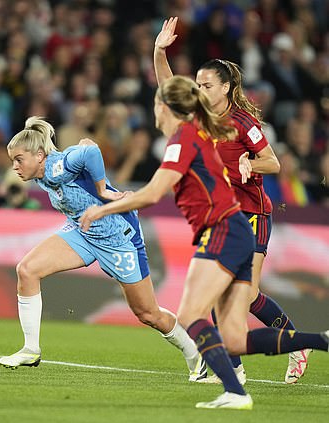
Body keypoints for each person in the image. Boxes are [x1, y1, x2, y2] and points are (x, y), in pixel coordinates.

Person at [79, 75, 329, 410]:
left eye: (156, 102)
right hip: (236, 230)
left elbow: (153, 193)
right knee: (234, 339)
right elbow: (171, 86)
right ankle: (320, 341)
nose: (153, 108)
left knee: (191, 314)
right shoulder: (196, 131)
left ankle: (235, 392)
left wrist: (103, 209)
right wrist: (159, 53)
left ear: (163, 107)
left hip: (223, 230)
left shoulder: (183, 138)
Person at [153, 16, 311, 385]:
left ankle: (291, 345)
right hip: (221, 217)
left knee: (245, 293)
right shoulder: (199, 115)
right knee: (216, 290)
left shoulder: (242, 123)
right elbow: (167, 85)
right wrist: (159, 51)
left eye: (206, 84)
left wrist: (248, 162)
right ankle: (233, 368)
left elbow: (273, 162)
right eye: (198, 84)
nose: (199, 89)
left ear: (225, 87)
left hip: (252, 213)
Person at [0, 116, 207, 383]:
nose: (14, 166)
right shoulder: (42, 172)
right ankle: (31, 349)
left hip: (119, 238)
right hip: (83, 232)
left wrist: (103, 190)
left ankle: (196, 355)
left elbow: (91, 151)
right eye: (12, 160)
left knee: (148, 314)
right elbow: (84, 150)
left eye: (18, 159)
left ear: (39, 155)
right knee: (27, 270)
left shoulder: (57, 167)